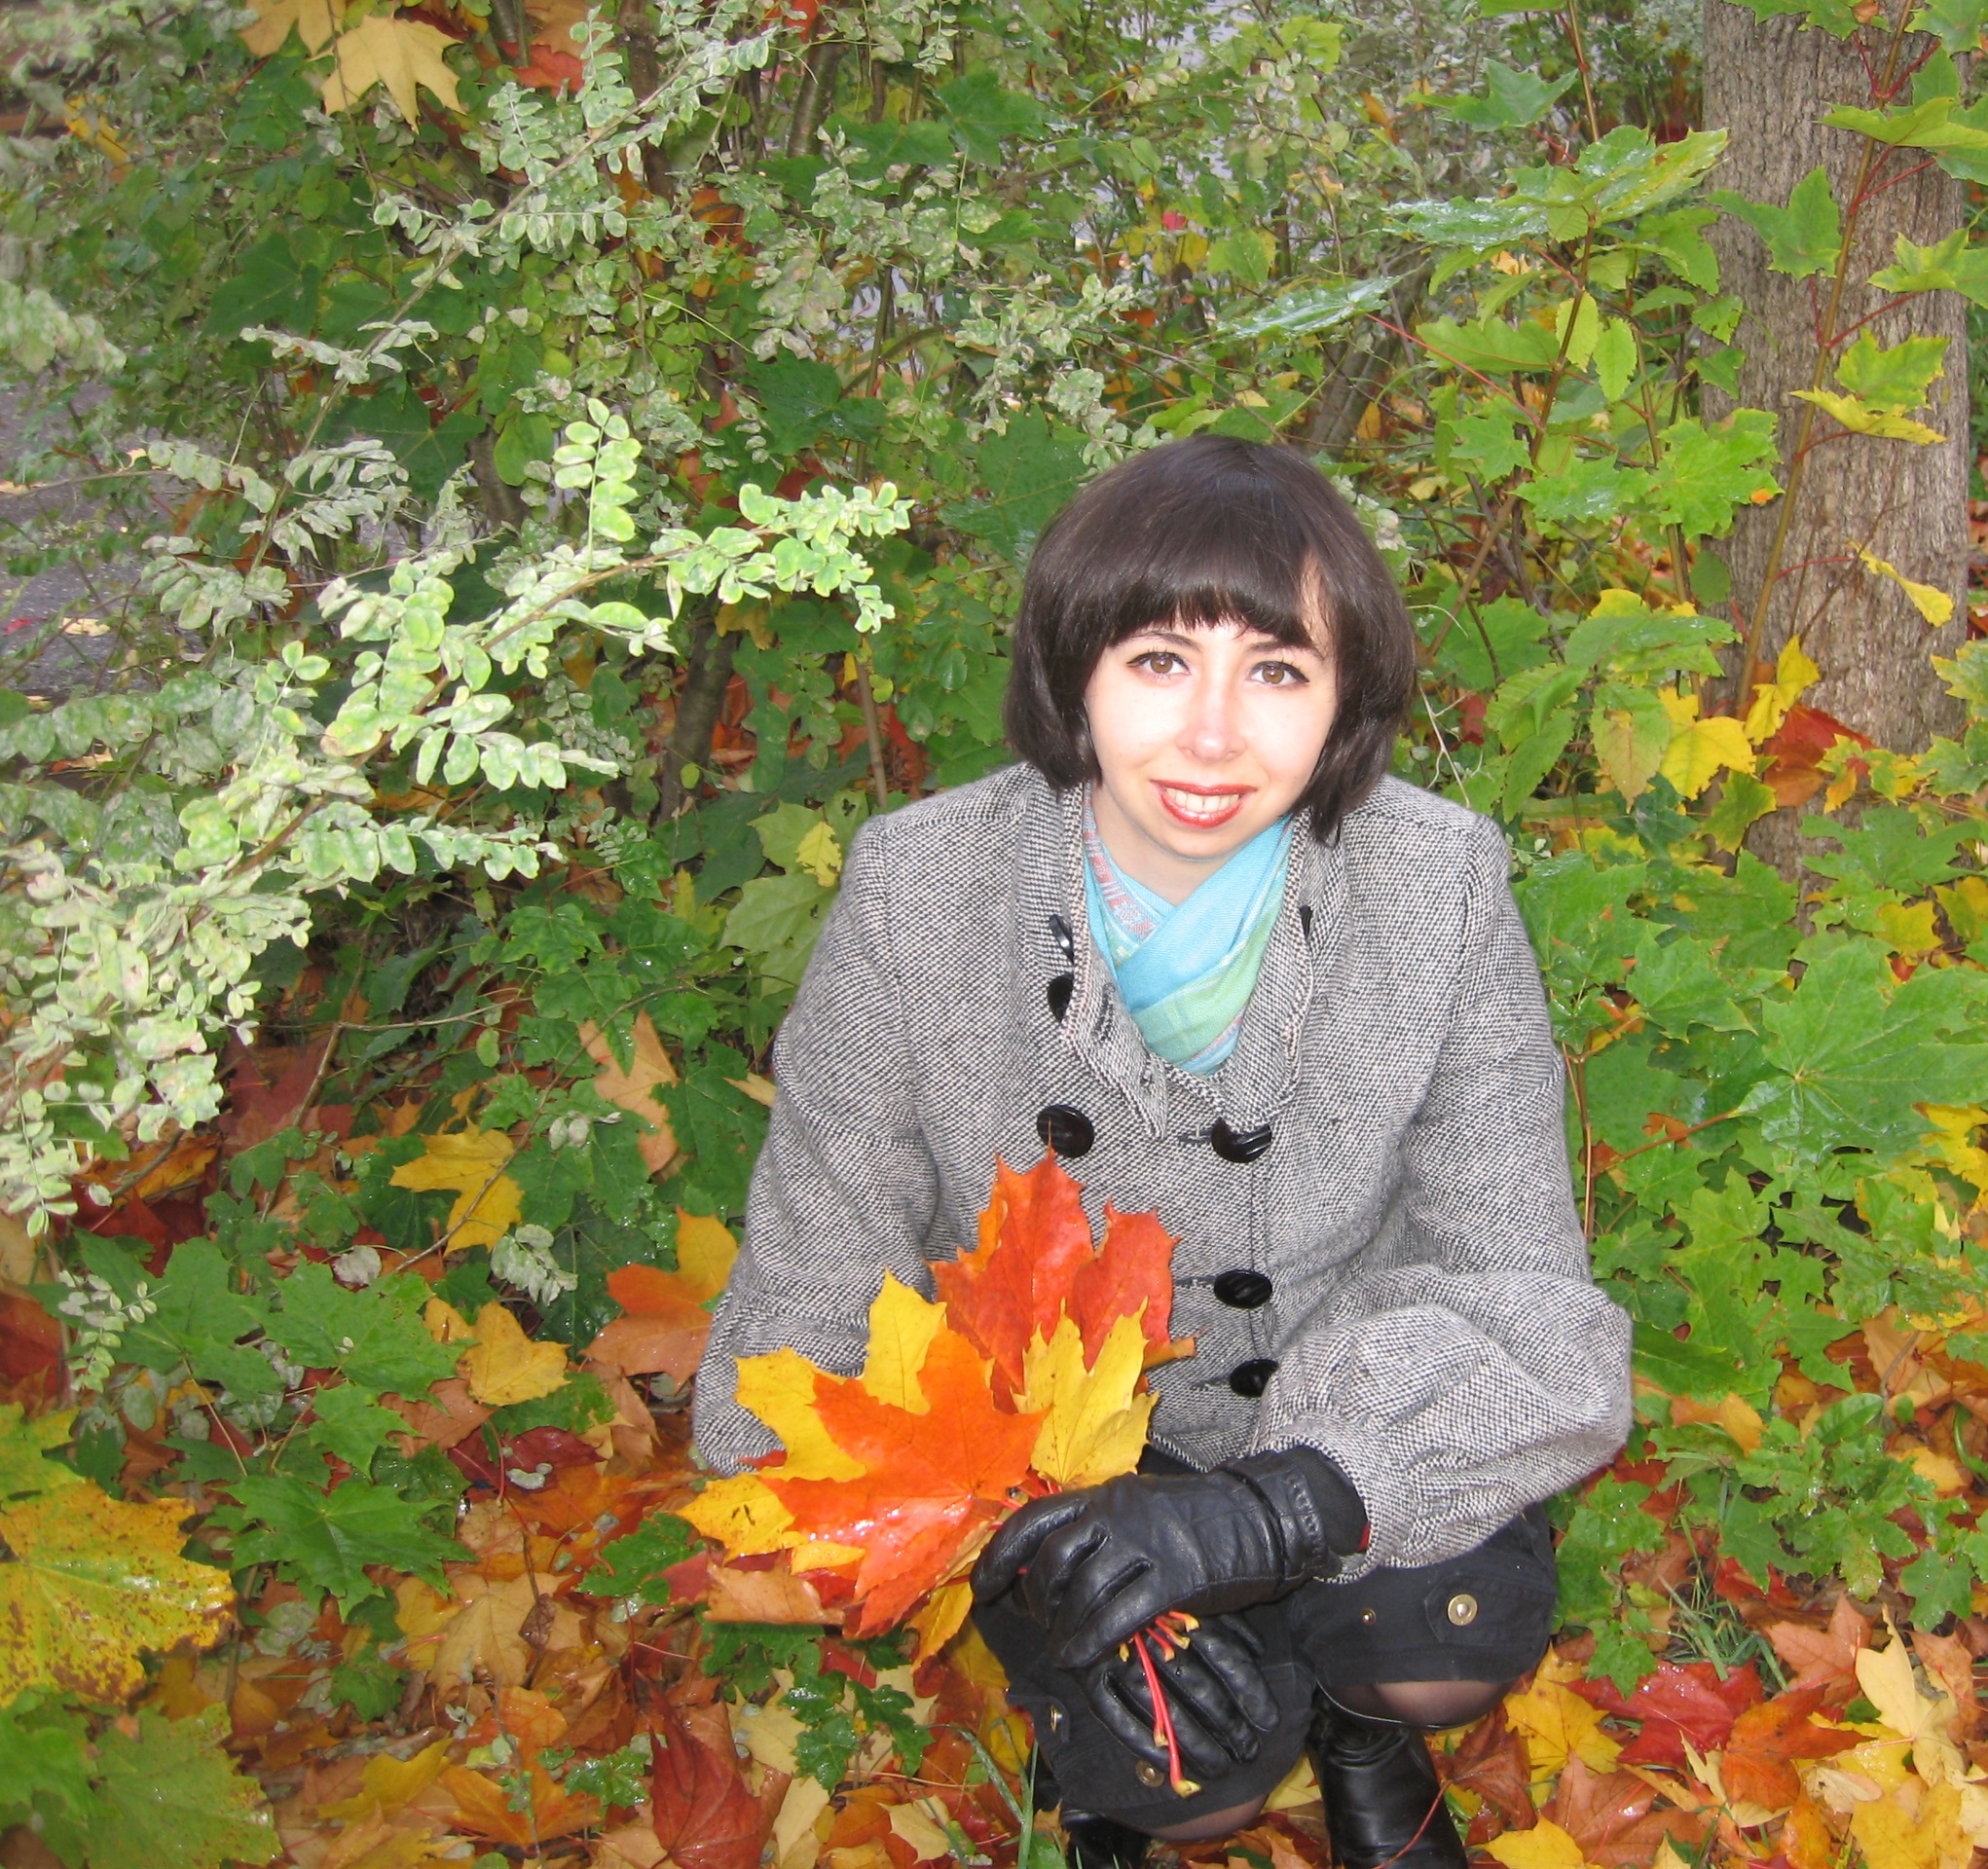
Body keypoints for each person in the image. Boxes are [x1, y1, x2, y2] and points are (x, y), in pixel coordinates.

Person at [693, 433, 1632, 1868]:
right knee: (1199, 1779)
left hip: (1333, 1397)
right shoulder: (920, 891)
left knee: (1439, 1640)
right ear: (1074, 670)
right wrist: (1018, 1536)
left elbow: (1523, 1288)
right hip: (1048, 1451)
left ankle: (1361, 1723)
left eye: (1277, 672)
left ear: (1344, 699)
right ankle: (1141, 1729)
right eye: (1158, 661)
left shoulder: (1432, 882)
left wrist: (1280, 1509)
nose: (1212, 737)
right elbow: (810, 1299)